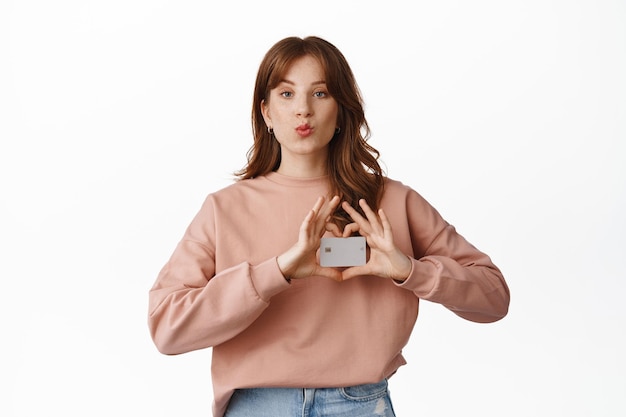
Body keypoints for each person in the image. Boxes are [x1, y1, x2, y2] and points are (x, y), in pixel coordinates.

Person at [148, 36, 510, 417]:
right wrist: (278, 272)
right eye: (286, 94)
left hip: (360, 406)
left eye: (320, 93)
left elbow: (494, 298)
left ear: (341, 109)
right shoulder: (225, 209)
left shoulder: (393, 203)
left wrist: (409, 270)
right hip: (257, 407)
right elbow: (167, 328)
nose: (303, 110)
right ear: (266, 112)